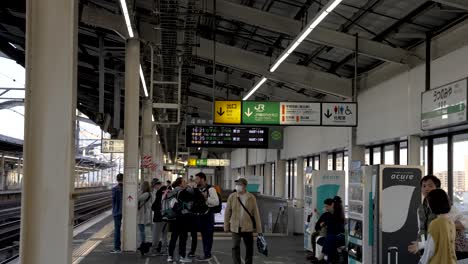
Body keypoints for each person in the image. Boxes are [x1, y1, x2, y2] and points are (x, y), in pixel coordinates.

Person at [408, 175, 468, 260]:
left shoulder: (446, 207)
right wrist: (420, 243)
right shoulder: (420, 209)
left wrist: (446, 226)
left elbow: (465, 223)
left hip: (448, 249)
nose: (426, 189)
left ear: (438, 188)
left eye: (430, 185)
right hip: (426, 247)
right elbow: (421, 228)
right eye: (424, 186)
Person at [224, 178, 262, 264]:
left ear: (244, 186)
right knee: (235, 247)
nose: (237, 186)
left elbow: (256, 213)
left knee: (249, 248)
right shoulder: (232, 196)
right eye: (237, 185)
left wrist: (259, 230)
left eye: (239, 184)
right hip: (235, 226)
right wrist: (226, 225)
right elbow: (227, 212)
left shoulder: (251, 197)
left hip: (247, 227)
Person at [418, 189, 456, 264]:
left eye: (429, 202)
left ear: (434, 203)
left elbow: (430, 250)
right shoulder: (451, 222)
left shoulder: (436, 224)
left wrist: (421, 262)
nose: (428, 205)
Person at [194, 172, 220, 262]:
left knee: (208, 236)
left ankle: (207, 254)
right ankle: (206, 253)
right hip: (200, 216)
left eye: (197, 179)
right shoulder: (197, 189)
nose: (195, 180)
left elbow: (216, 202)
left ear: (202, 179)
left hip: (208, 216)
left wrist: (206, 199)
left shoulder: (211, 189)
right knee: (204, 236)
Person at [167, 177, 193, 263]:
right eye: (184, 181)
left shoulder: (171, 192)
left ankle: (170, 256)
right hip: (183, 218)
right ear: (180, 184)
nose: (186, 183)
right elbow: (189, 204)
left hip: (173, 218)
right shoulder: (184, 192)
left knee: (173, 238)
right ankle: (182, 256)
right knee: (183, 238)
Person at [315, 196, 345, 263]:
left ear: (332, 205)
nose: (326, 208)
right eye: (325, 206)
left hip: (339, 237)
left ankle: (322, 258)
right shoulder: (326, 215)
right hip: (330, 238)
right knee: (321, 240)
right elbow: (317, 226)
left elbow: (339, 230)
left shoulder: (339, 216)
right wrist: (321, 225)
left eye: (327, 206)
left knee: (329, 239)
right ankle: (329, 260)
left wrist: (325, 223)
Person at [150, 178, 169, 256]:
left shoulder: (159, 192)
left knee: (156, 234)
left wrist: (153, 207)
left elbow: (155, 205)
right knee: (164, 234)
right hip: (167, 216)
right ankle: (164, 250)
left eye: (154, 186)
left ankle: (154, 250)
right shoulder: (167, 191)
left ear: (156, 185)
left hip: (159, 217)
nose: (154, 188)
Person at [110, 173, 124, 253]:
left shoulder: (114, 189)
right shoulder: (127, 188)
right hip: (126, 211)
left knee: (117, 230)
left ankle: (117, 248)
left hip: (117, 212)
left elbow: (113, 201)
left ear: (117, 179)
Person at [137, 181, 153, 245]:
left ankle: (143, 243)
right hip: (143, 213)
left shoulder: (146, 194)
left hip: (143, 214)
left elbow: (138, 198)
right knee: (142, 229)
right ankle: (143, 242)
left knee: (142, 230)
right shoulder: (147, 193)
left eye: (141, 185)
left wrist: (139, 191)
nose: (141, 186)